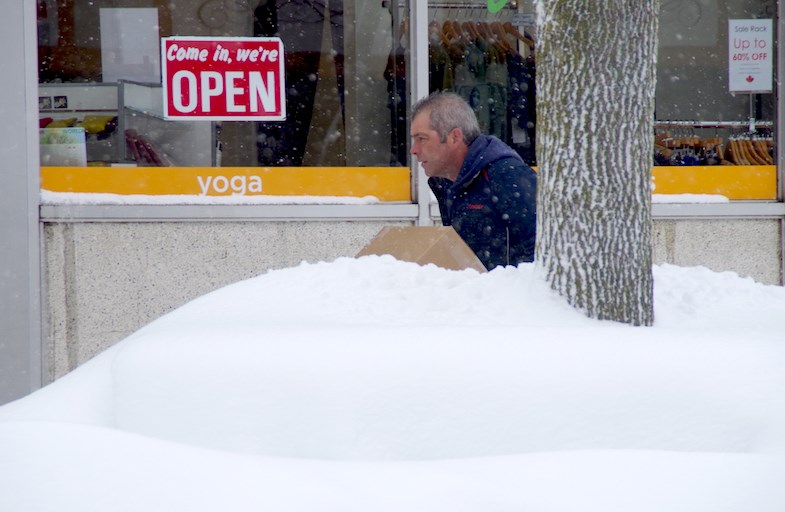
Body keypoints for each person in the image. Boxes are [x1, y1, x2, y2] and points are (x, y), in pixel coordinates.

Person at [410, 92, 537, 270]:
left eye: (421, 139)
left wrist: (508, 292)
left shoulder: (508, 176)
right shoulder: (447, 183)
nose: (413, 150)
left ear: (454, 137)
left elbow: (544, 250)